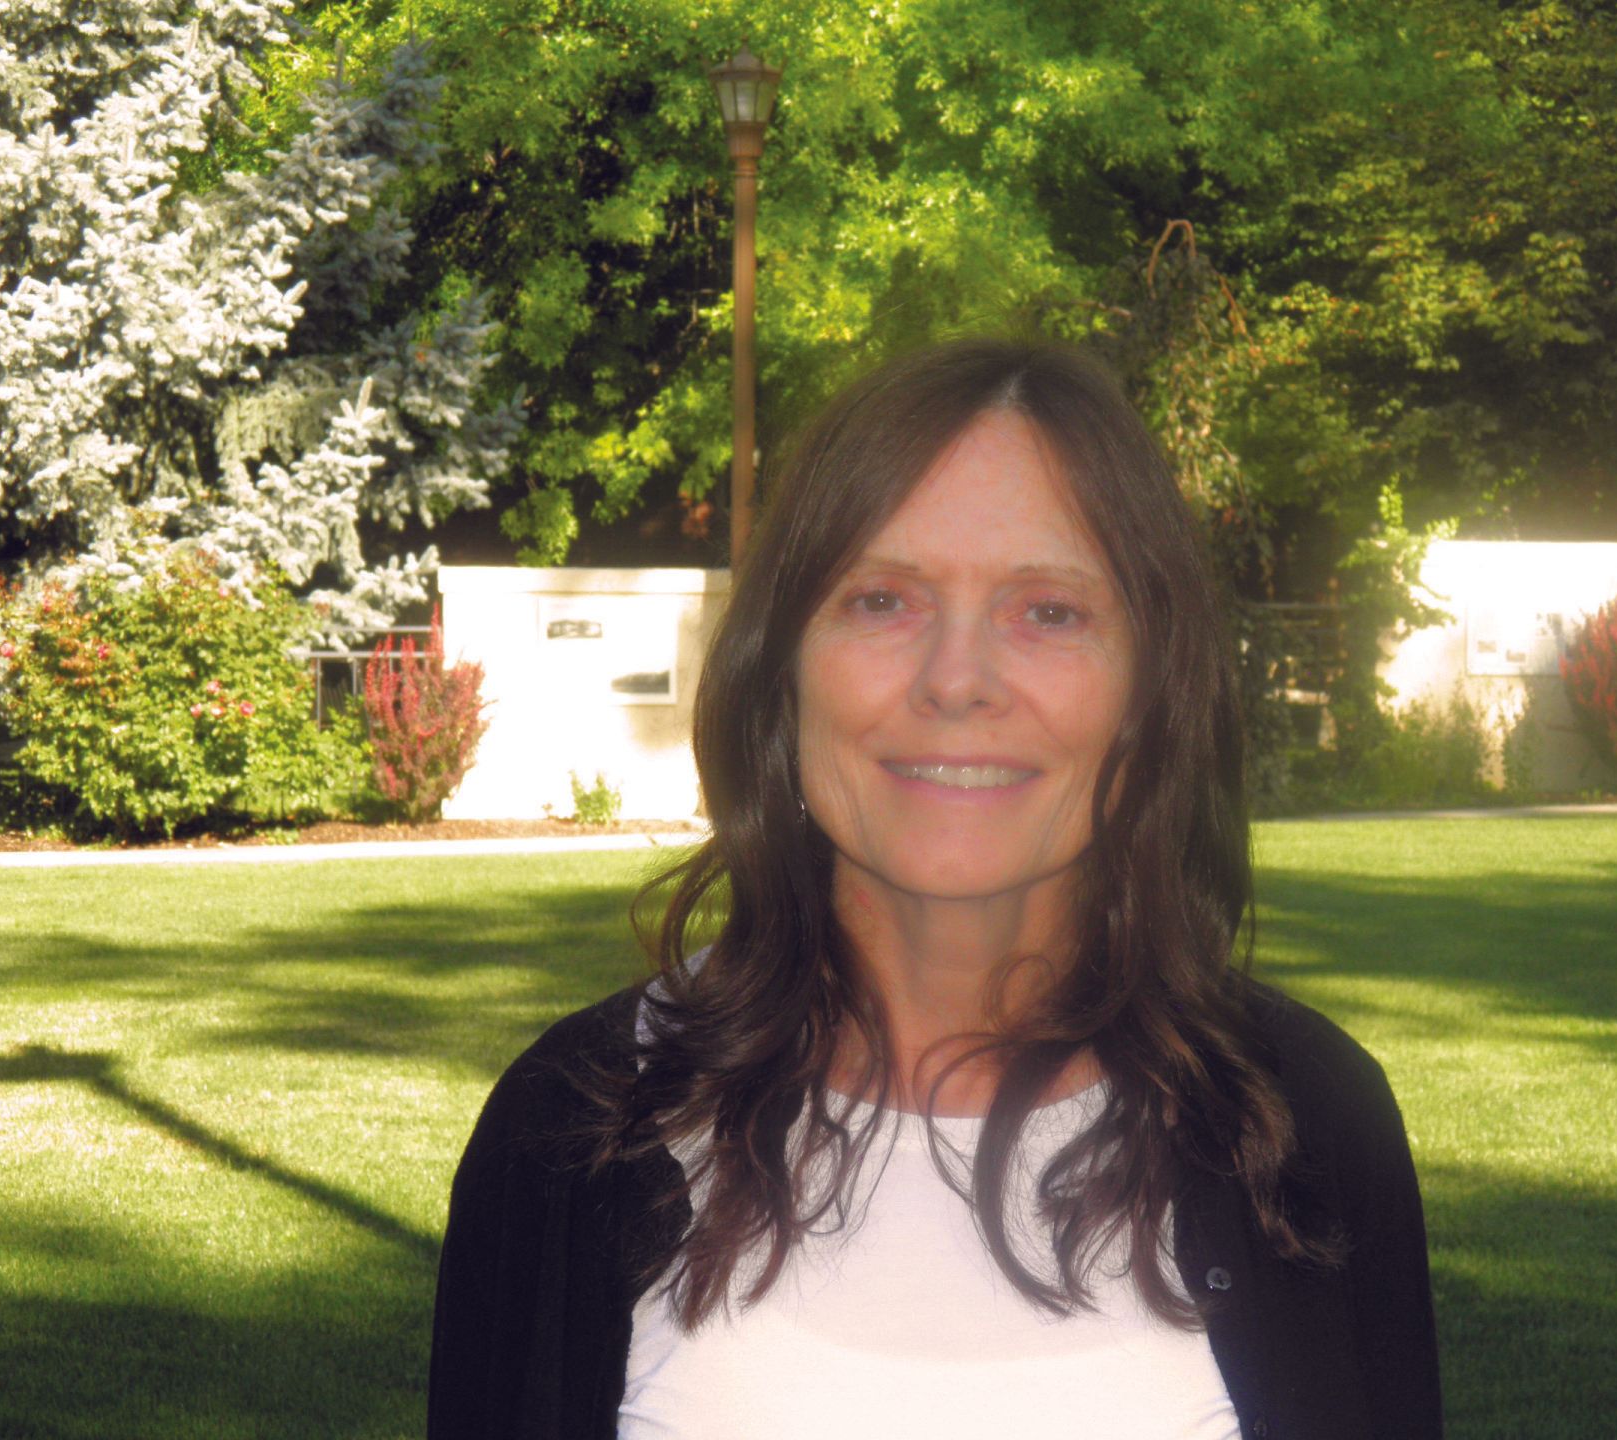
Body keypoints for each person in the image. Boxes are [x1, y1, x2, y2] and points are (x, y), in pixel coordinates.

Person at [427, 339, 1441, 1440]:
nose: (958, 679)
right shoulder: (574, 1129)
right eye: (882, 601)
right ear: (783, 667)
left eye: (1047, 611)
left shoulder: (1305, 1127)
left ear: (1149, 688)